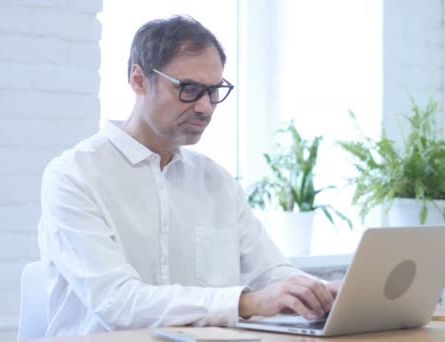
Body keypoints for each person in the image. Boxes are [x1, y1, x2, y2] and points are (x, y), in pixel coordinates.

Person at [37, 15, 341, 337]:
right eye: (190, 89)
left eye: (214, 91)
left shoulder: (217, 182)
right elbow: (118, 302)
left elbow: (269, 272)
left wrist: (322, 293)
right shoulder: (73, 176)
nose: (206, 107)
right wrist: (245, 304)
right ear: (138, 80)